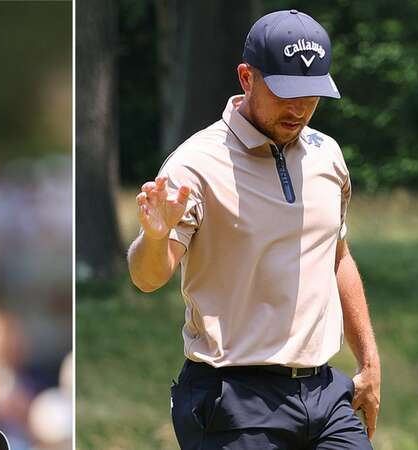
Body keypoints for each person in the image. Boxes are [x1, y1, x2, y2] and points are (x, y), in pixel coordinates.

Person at [127, 9, 380, 450]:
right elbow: (148, 278)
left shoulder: (328, 156)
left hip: (325, 395)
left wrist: (369, 362)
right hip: (234, 401)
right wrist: (153, 237)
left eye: (311, 94)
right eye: (285, 93)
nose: (299, 108)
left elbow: (337, 256)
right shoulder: (195, 165)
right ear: (247, 78)